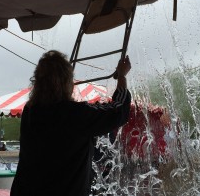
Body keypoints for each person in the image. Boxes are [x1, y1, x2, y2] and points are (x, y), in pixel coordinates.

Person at [11, 50, 131, 196]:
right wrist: (122, 76)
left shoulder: (30, 112)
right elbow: (118, 110)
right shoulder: (74, 114)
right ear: (66, 82)